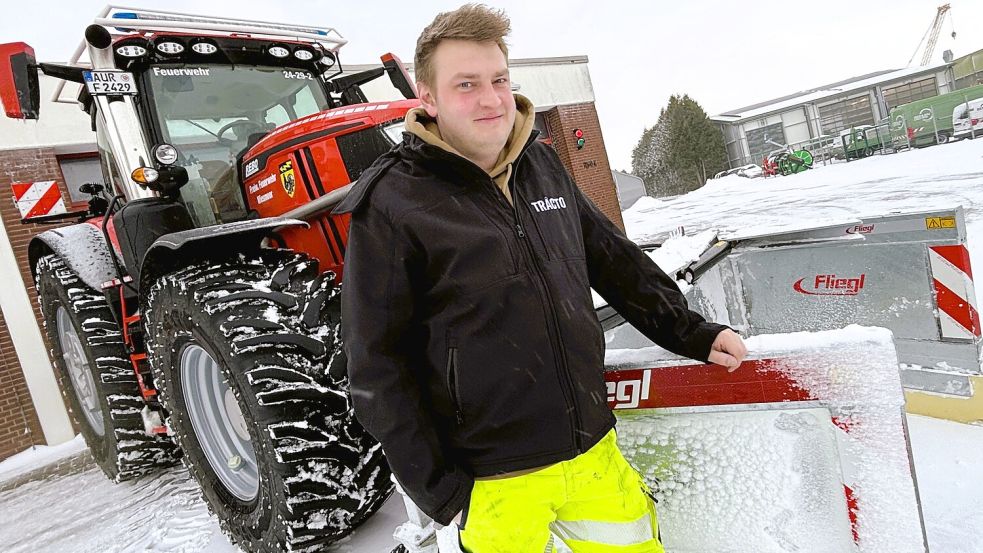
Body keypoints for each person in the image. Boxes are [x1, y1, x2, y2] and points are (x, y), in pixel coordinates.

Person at [330, 4, 747, 551]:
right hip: (496, 481)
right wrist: (444, 490)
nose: (490, 99)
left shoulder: (541, 164)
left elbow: (613, 259)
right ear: (427, 98)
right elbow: (375, 363)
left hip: (594, 452)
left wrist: (691, 331)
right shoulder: (393, 202)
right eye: (466, 84)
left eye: (499, 79)